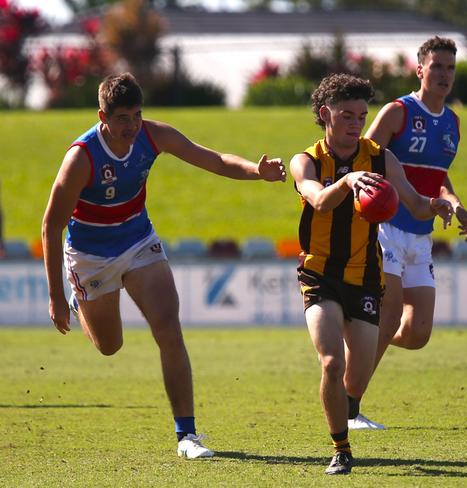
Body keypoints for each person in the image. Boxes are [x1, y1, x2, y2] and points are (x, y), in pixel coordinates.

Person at [41, 73, 286, 459]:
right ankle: (79, 300)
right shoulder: (81, 157)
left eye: (137, 115)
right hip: (90, 256)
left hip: (139, 241)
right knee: (109, 346)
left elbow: (216, 161)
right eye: (122, 118)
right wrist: (56, 296)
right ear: (102, 116)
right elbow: (50, 226)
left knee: (169, 328)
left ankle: (186, 436)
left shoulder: (154, 136)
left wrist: (258, 172)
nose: (132, 126)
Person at [289, 73, 453, 475]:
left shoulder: (380, 157)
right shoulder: (306, 160)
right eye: (347, 115)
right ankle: (341, 449)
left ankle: (348, 409)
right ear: (325, 114)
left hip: (364, 278)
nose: (356, 123)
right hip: (320, 275)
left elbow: (413, 204)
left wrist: (440, 204)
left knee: (355, 379)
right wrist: (347, 180)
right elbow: (319, 201)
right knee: (331, 363)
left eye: (362, 115)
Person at [350, 36, 467, 430]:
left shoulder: (452, 123)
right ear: (419, 70)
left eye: (450, 68)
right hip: (384, 229)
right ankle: (350, 408)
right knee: (387, 319)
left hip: (421, 237)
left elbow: (440, 177)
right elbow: (362, 158)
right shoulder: (397, 112)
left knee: (417, 333)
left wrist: (453, 201)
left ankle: (358, 342)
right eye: (436, 66)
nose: (443, 75)